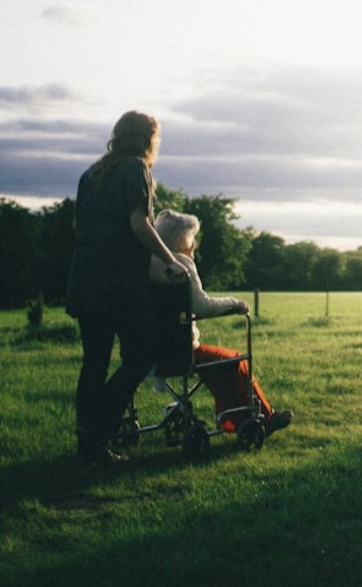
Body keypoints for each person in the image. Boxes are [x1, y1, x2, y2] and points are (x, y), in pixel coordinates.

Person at [66, 111, 187, 466]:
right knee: (142, 355)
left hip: (84, 280)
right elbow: (139, 224)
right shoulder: (136, 169)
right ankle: (97, 428)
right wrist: (170, 260)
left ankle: (88, 444)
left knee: (95, 362)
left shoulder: (91, 174)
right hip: (118, 285)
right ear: (147, 138)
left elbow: (78, 227)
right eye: (156, 137)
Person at [149, 209, 293, 436]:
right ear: (179, 239)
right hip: (180, 350)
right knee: (235, 360)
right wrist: (235, 303)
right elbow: (203, 306)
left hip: (151, 350)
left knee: (219, 364)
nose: (195, 243)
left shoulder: (148, 263)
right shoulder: (181, 264)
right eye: (192, 237)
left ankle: (234, 419)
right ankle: (264, 417)